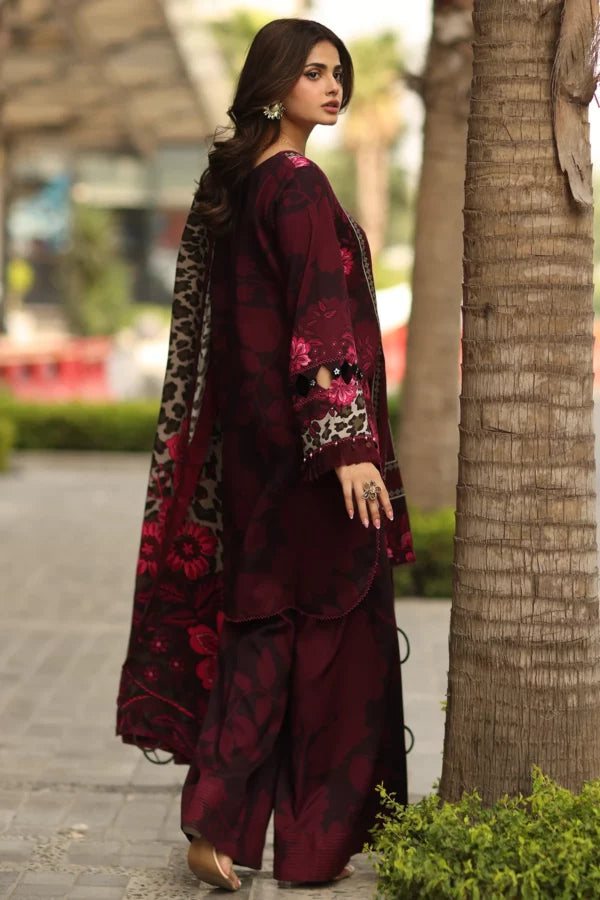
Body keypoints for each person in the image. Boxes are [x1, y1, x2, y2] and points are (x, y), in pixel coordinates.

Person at [116, 17, 415, 893]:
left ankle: (220, 826)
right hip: (314, 466)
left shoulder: (237, 182)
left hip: (256, 461)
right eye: (314, 73)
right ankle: (312, 842)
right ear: (273, 83)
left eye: (340, 73)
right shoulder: (295, 185)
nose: (333, 87)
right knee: (329, 640)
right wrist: (348, 445)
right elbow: (319, 323)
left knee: (263, 630)